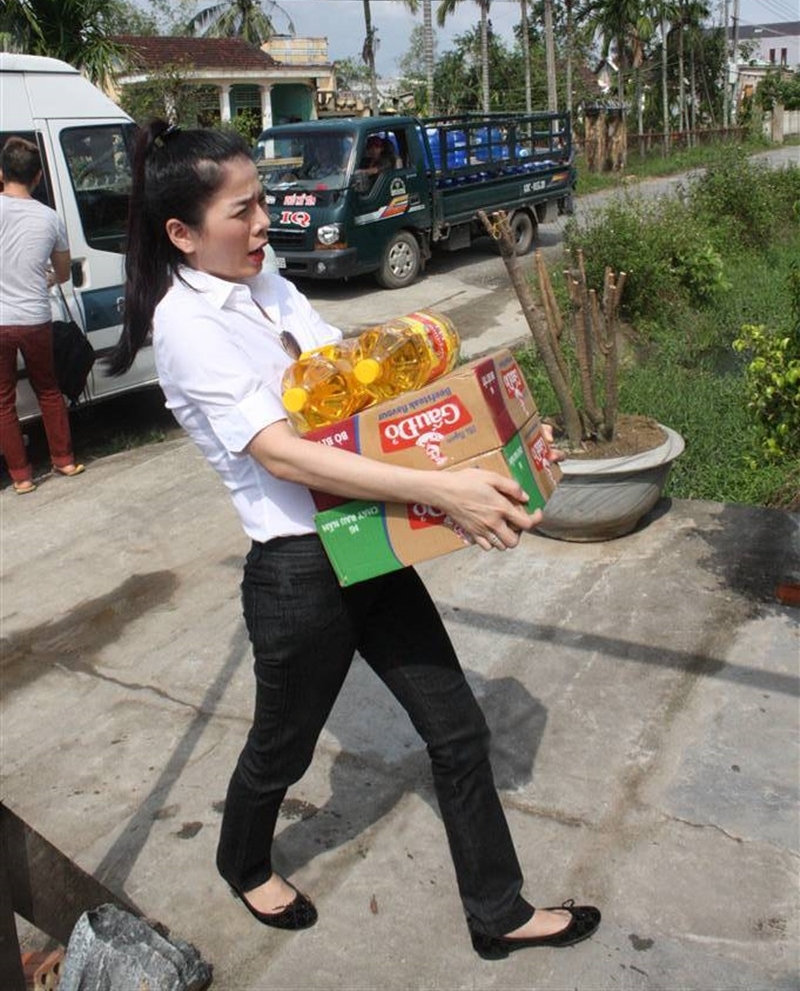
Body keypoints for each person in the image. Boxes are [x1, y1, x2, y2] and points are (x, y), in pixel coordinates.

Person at [108, 121, 601, 960]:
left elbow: (354, 392)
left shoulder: (267, 284)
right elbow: (283, 453)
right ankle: (241, 859)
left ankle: (499, 911)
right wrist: (441, 490)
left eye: (262, 200)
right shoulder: (188, 325)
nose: (264, 221)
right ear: (183, 234)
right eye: (242, 210)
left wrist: (481, 438)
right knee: (284, 747)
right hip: (299, 571)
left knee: (456, 728)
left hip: (364, 535)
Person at [0, 136, 84, 494]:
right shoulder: (50, 218)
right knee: (48, 389)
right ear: (37, 178)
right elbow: (62, 273)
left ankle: (21, 477)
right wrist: (46, 278)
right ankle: (64, 460)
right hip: (35, 317)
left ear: (1, 174)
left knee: (3, 400)